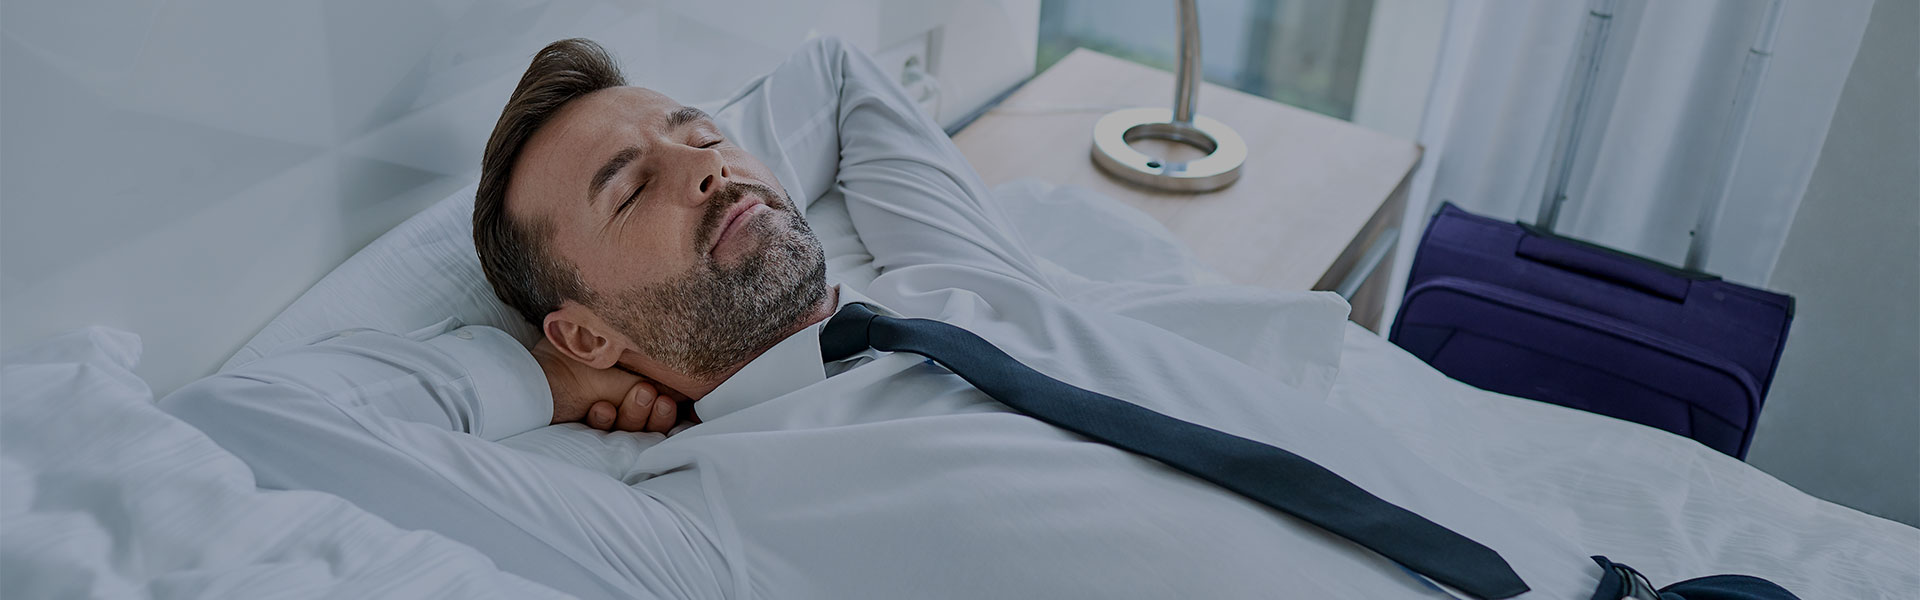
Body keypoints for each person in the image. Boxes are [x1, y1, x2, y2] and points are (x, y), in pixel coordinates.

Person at [163, 36, 1610, 599]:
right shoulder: (705, 527)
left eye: (696, 127)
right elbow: (252, 412)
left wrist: (672, 136)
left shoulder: (961, 290)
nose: (707, 161)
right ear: (588, 330)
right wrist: (532, 378)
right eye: (630, 183)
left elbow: (843, 76)